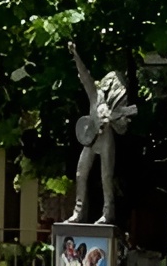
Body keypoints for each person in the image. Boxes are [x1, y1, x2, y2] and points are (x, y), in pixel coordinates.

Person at [64, 41, 137, 225]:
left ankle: (108, 212)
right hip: (90, 139)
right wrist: (75, 55)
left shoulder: (116, 107)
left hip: (106, 140)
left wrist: (117, 116)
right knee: (81, 173)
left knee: (106, 176)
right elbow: (85, 75)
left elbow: (125, 121)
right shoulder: (95, 96)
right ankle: (78, 213)